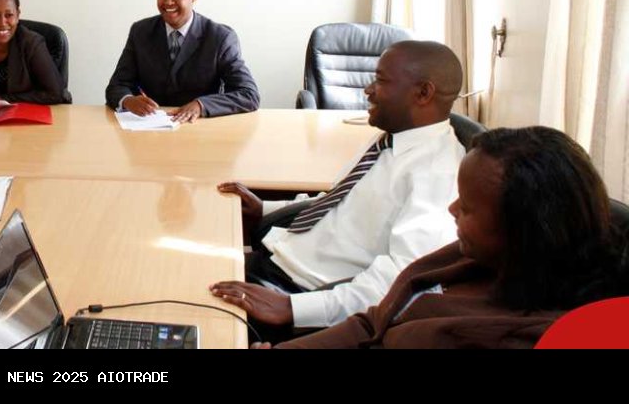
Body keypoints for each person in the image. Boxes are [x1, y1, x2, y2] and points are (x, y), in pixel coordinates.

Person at [227, 127, 629, 348]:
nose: (451, 210)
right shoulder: (470, 258)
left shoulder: (521, 336)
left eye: (466, 207)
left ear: (523, 232)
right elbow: (372, 321)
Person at [212, 41, 465, 335]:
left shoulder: (438, 174)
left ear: (423, 93)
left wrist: (292, 308)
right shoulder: (392, 140)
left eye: (381, 81)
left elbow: (403, 281)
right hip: (281, 260)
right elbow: (336, 200)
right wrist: (266, 207)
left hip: (301, 293)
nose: (368, 90)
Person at [105, 0, 260, 123]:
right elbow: (117, 85)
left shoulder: (220, 37)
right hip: (151, 126)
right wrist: (127, 100)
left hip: (201, 127)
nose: (168, 2)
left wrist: (201, 105)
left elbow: (248, 94)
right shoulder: (140, 32)